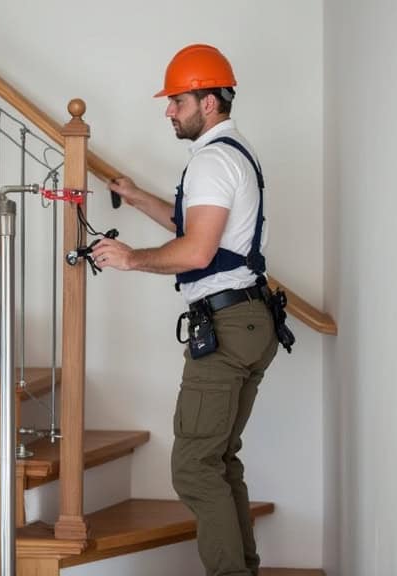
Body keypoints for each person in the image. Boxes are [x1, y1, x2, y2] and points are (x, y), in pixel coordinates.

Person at [92, 44, 279, 576]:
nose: (169, 111)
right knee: (218, 461)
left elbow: (196, 251)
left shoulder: (211, 161)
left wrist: (131, 258)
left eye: (178, 100)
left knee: (195, 467)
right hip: (249, 318)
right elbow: (196, 227)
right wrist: (136, 197)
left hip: (227, 324)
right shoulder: (232, 151)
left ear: (210, 101)